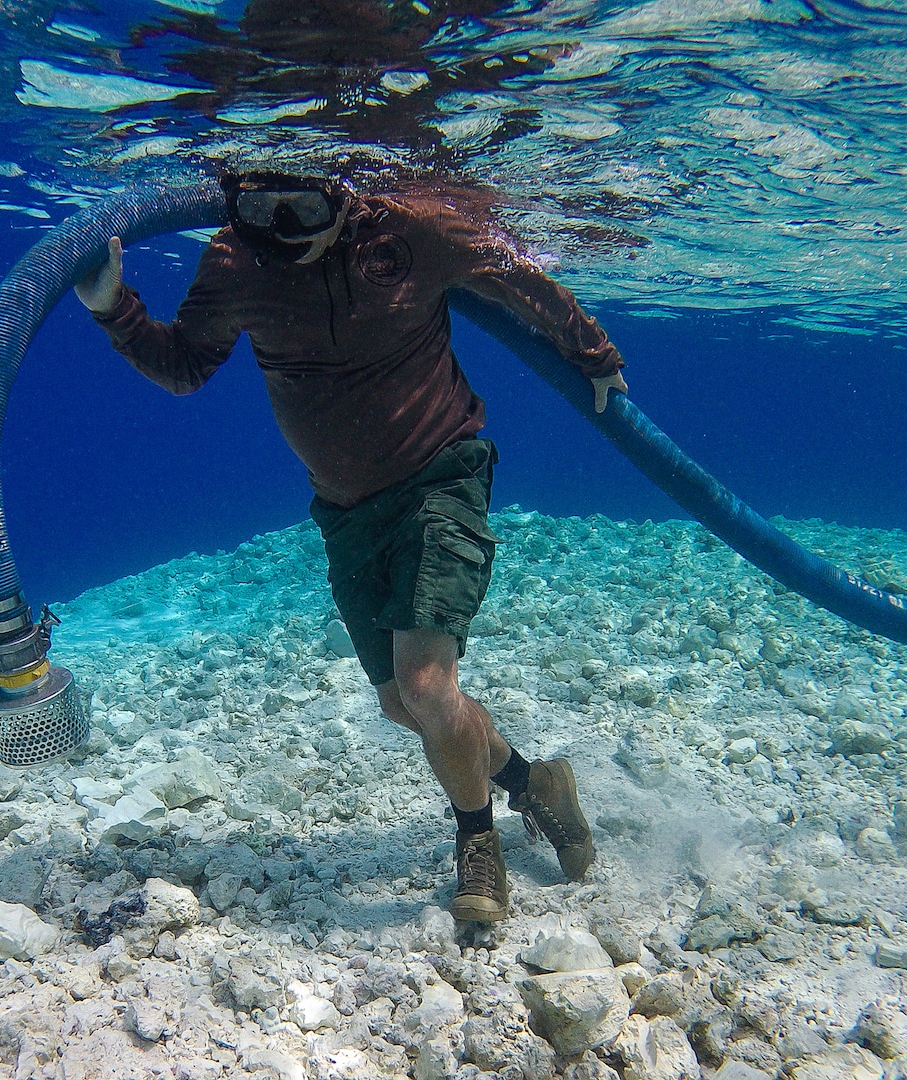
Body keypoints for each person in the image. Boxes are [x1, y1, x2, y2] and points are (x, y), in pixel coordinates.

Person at [74, 172, 626, 922]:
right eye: (258, 211)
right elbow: (185, 366)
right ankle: (534, 783)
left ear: (344, 198)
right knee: (405, 704)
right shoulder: (235, 260)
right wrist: (112, 307)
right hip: (343, 512)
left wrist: (592, 352)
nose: (283, 231)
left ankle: (477, 845)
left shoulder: (411, 230)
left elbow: (514, 281)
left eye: (303, 209)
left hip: (441, 476)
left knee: (428, 686)